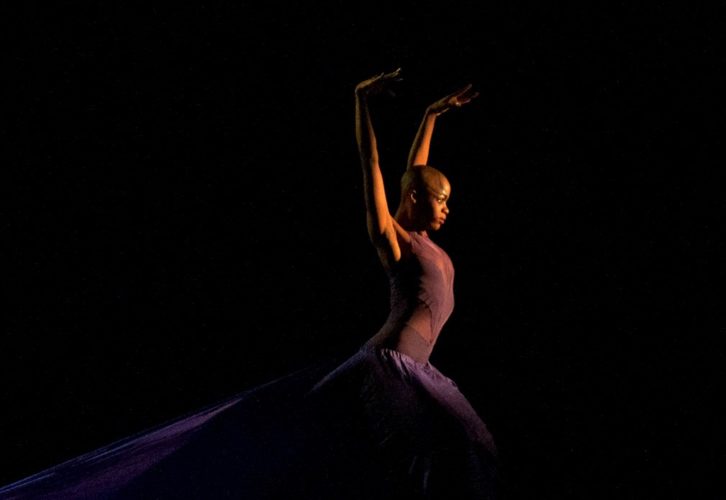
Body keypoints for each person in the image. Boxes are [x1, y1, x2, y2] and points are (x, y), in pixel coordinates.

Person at [0, 70, 499, 500]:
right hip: (393, 367)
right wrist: (361, 102)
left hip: (417, 369)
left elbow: (415, 171)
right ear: (414, 199)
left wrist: (430, 116)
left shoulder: (423, 239)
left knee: (464, 450)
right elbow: (374, 168)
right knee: (453, 450)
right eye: (440, 199)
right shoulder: (395, 241)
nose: (447, 207)